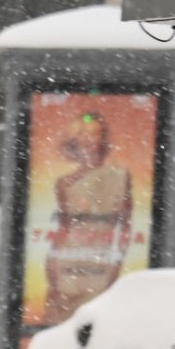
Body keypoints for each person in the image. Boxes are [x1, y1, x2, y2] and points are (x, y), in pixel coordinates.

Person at [41, 109, 133, 326]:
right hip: (68, 263)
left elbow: (125, 226)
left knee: (98, 323)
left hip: (101, 263)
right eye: (84, 135)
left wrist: (115, 264)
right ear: (74, 141)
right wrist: (53, 262)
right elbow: (64, 228)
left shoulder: (119, 177)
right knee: (61, 325)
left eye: (95, 134)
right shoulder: (64, 183)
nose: (90, 140)